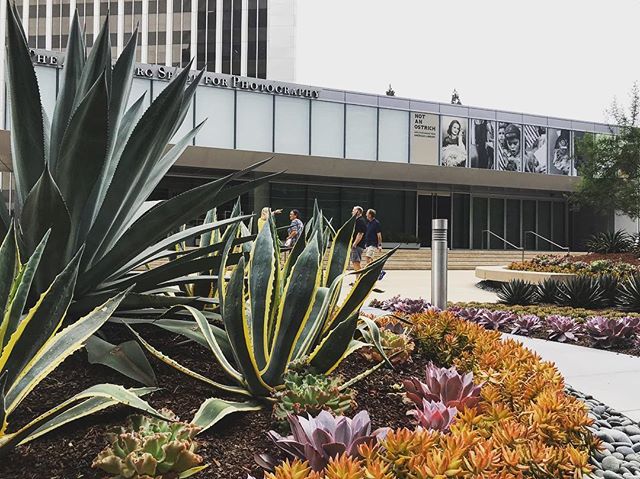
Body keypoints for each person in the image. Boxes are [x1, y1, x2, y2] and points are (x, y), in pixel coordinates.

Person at [363, 209, 385, 293]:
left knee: (368, 257)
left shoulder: (376, 223)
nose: (366, 215)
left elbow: (379, 235)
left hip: (373, 244)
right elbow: (368, 233)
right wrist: (365, 243)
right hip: (368, 244)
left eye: (367, 213)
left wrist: (379, 245)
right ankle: (379, 271)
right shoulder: (368, 223)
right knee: (370, 259)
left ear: (370, 215)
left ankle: (372, 273)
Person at [350, 206, 367, 271]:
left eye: (353, 210)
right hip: (358, 245)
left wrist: (354, 244)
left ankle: (359, 279)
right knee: (356, 262)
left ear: (358, 211)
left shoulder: (360, 221)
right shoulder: (358, 220)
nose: (352, 212)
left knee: (356, 262)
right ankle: (358, 279)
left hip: (357, 245)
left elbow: (360, 233)